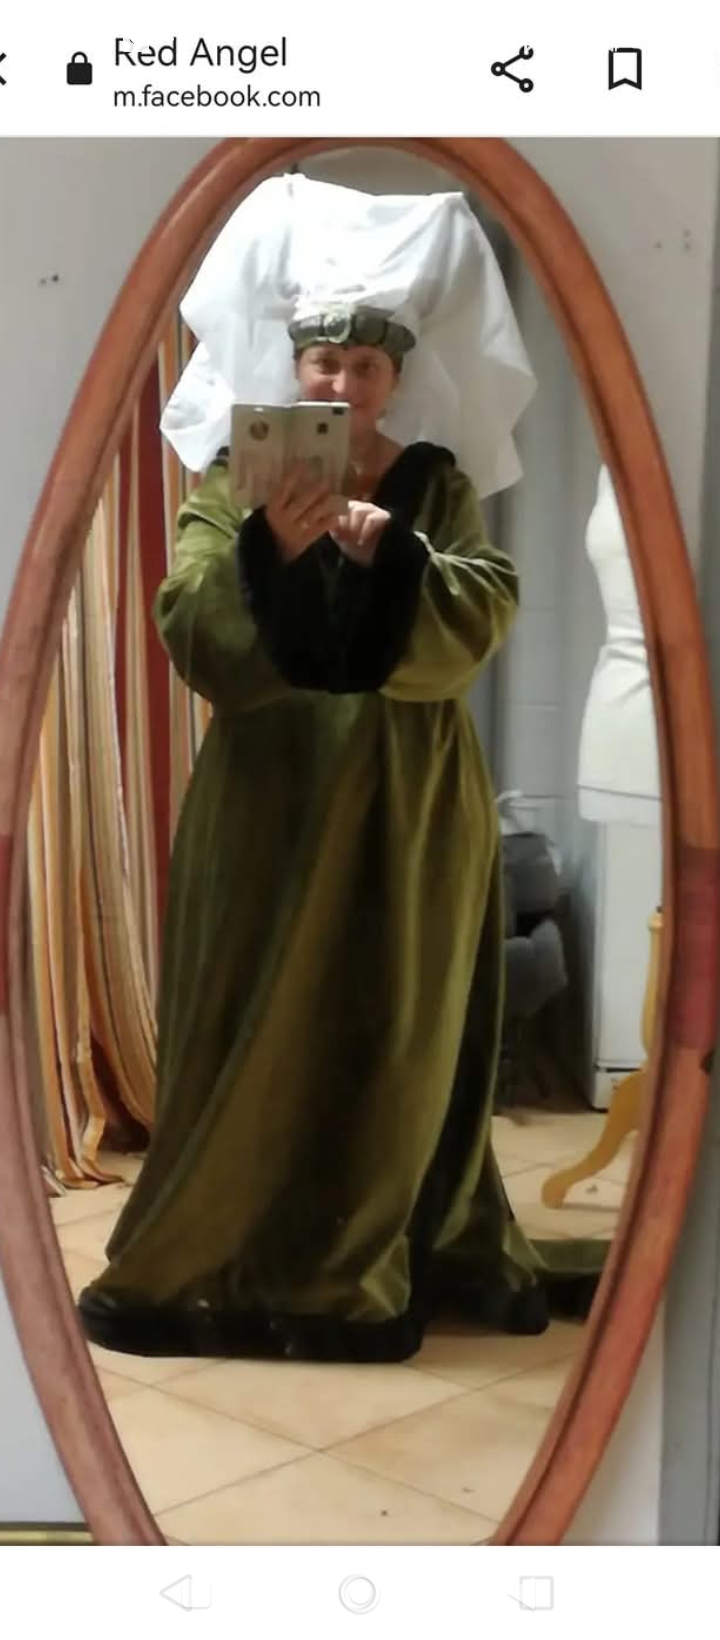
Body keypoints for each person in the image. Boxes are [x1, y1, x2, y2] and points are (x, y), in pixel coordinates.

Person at [78, 176, 607, 1362]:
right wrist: (270, 548)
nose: (341, 384)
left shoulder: (437, 485)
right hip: (267, 802)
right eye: (324, 361)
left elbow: (483, 610)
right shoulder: (236, 480)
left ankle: (362, 1261)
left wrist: (393, 557)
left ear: (392, 377)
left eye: (365, 367)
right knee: (253, 1019)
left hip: (409, 805)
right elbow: (192, 624)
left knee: (394, 1025)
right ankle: (224, 1249)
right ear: (294, 364)